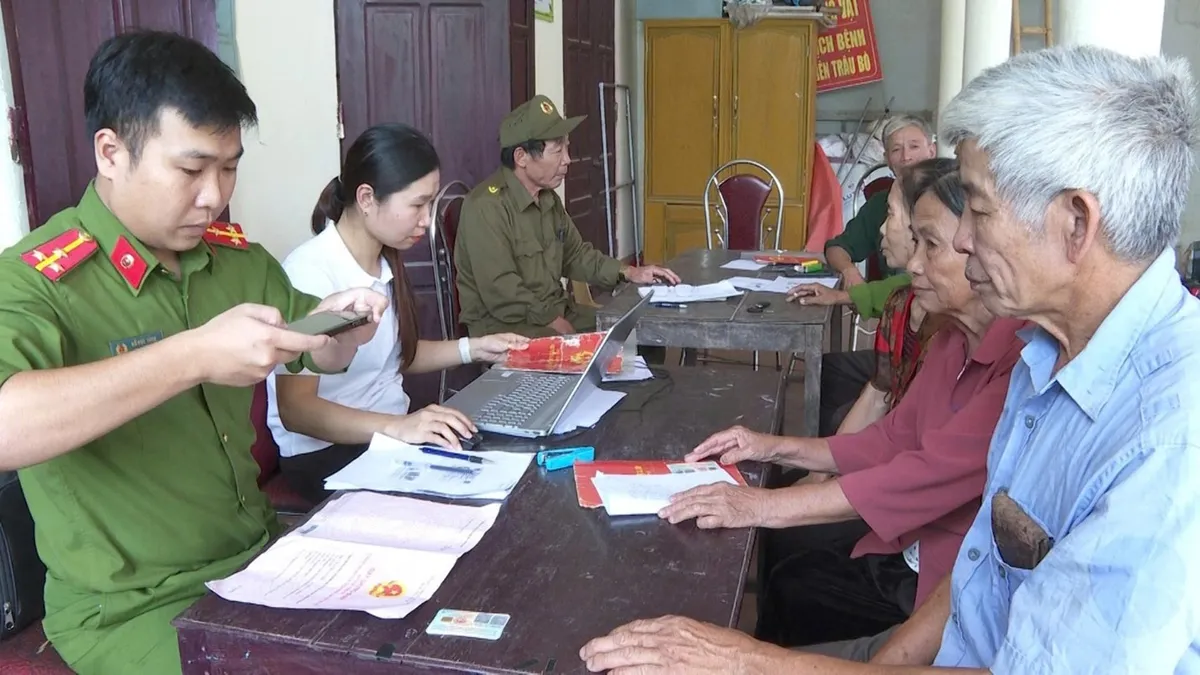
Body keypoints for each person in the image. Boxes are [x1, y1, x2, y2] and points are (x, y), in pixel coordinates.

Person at [579, 44, 1200, 674]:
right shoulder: (1051, 357)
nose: (961, 241)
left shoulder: (1168, 441)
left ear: (1075, 223)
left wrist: (749, 663)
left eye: (979, 211)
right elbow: (980, 569)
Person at [0, 32, 389, 675]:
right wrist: (193, 356)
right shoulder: (36, 280)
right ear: (111, 152)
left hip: (263, 560)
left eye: (229, 166)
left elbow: (314, 356)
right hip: (134, 608)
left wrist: (341, 332)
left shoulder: (235, 259)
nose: (214, 195)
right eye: (191, 169)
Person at [673, 162, 1027, 650]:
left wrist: (761, 503)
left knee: (796, 580)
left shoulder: (1019, 364)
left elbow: (920, 476)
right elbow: (889, 439)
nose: (913, 264)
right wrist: (769, 447)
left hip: (934, 580)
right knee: (785, 558)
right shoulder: (951, 339)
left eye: (930, 244)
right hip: (908, 545)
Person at [267, 124, 529, 504]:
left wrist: (475, 348)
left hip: (384, 440)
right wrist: (398, 427)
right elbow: (297, 410)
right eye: (417, 204)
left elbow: (397, 355)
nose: (426, 219)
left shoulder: (382, 261)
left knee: (508, 465)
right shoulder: (311, 272)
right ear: (367, 198)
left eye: (430, 204)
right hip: (326, 455)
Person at [454, 95, 680, 341]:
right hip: (507, 329)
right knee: (616, 346)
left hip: (555, 313)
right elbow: (501, 290)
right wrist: (553, 322)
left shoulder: (548, 199)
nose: (567, 160)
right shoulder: (486, 206)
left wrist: (628, 272)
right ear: (521, 157)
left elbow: (575, 255)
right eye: (558, 150)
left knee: (644, 334)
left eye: (567, 148)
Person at [794, 116, 938, 435]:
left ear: (933, 148)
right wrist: (848, 272)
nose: (905, 156)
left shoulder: (945, 210)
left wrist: (844, 296)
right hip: (896, 341)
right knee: (830, 376)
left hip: (920, 398)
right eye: (896, 149)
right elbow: (838, 246)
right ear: (886, 158)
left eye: (914, 146)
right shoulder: (881, 203)